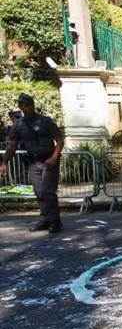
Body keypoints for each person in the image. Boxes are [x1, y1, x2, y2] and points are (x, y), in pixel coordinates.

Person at [0, 93, 64, 233]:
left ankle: (55, 222)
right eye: (23, 105)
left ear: (33, 105)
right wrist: (4, 163)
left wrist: (54, 157)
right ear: (20, 107)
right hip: (33, 162)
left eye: (28, 105)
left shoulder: (45, 121)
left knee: (48, 191)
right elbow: (12, 145)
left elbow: (59, 139)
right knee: (39, 192)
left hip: (49, 161)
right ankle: (46, 219)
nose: (26, 107)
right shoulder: (19, 125)